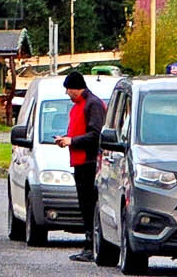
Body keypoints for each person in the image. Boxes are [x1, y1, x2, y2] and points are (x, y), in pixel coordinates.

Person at [53, 71, 107, 263]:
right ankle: (88, 244)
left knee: (89, 204)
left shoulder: (93, 104)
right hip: (80, 162)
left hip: (89, 162)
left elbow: (96, 134)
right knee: (84, 205)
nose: (67, 93)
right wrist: (66, 139)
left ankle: (92, 246)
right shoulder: (78, 106)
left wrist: (72, 141)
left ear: (75, 88)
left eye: (68, 89)